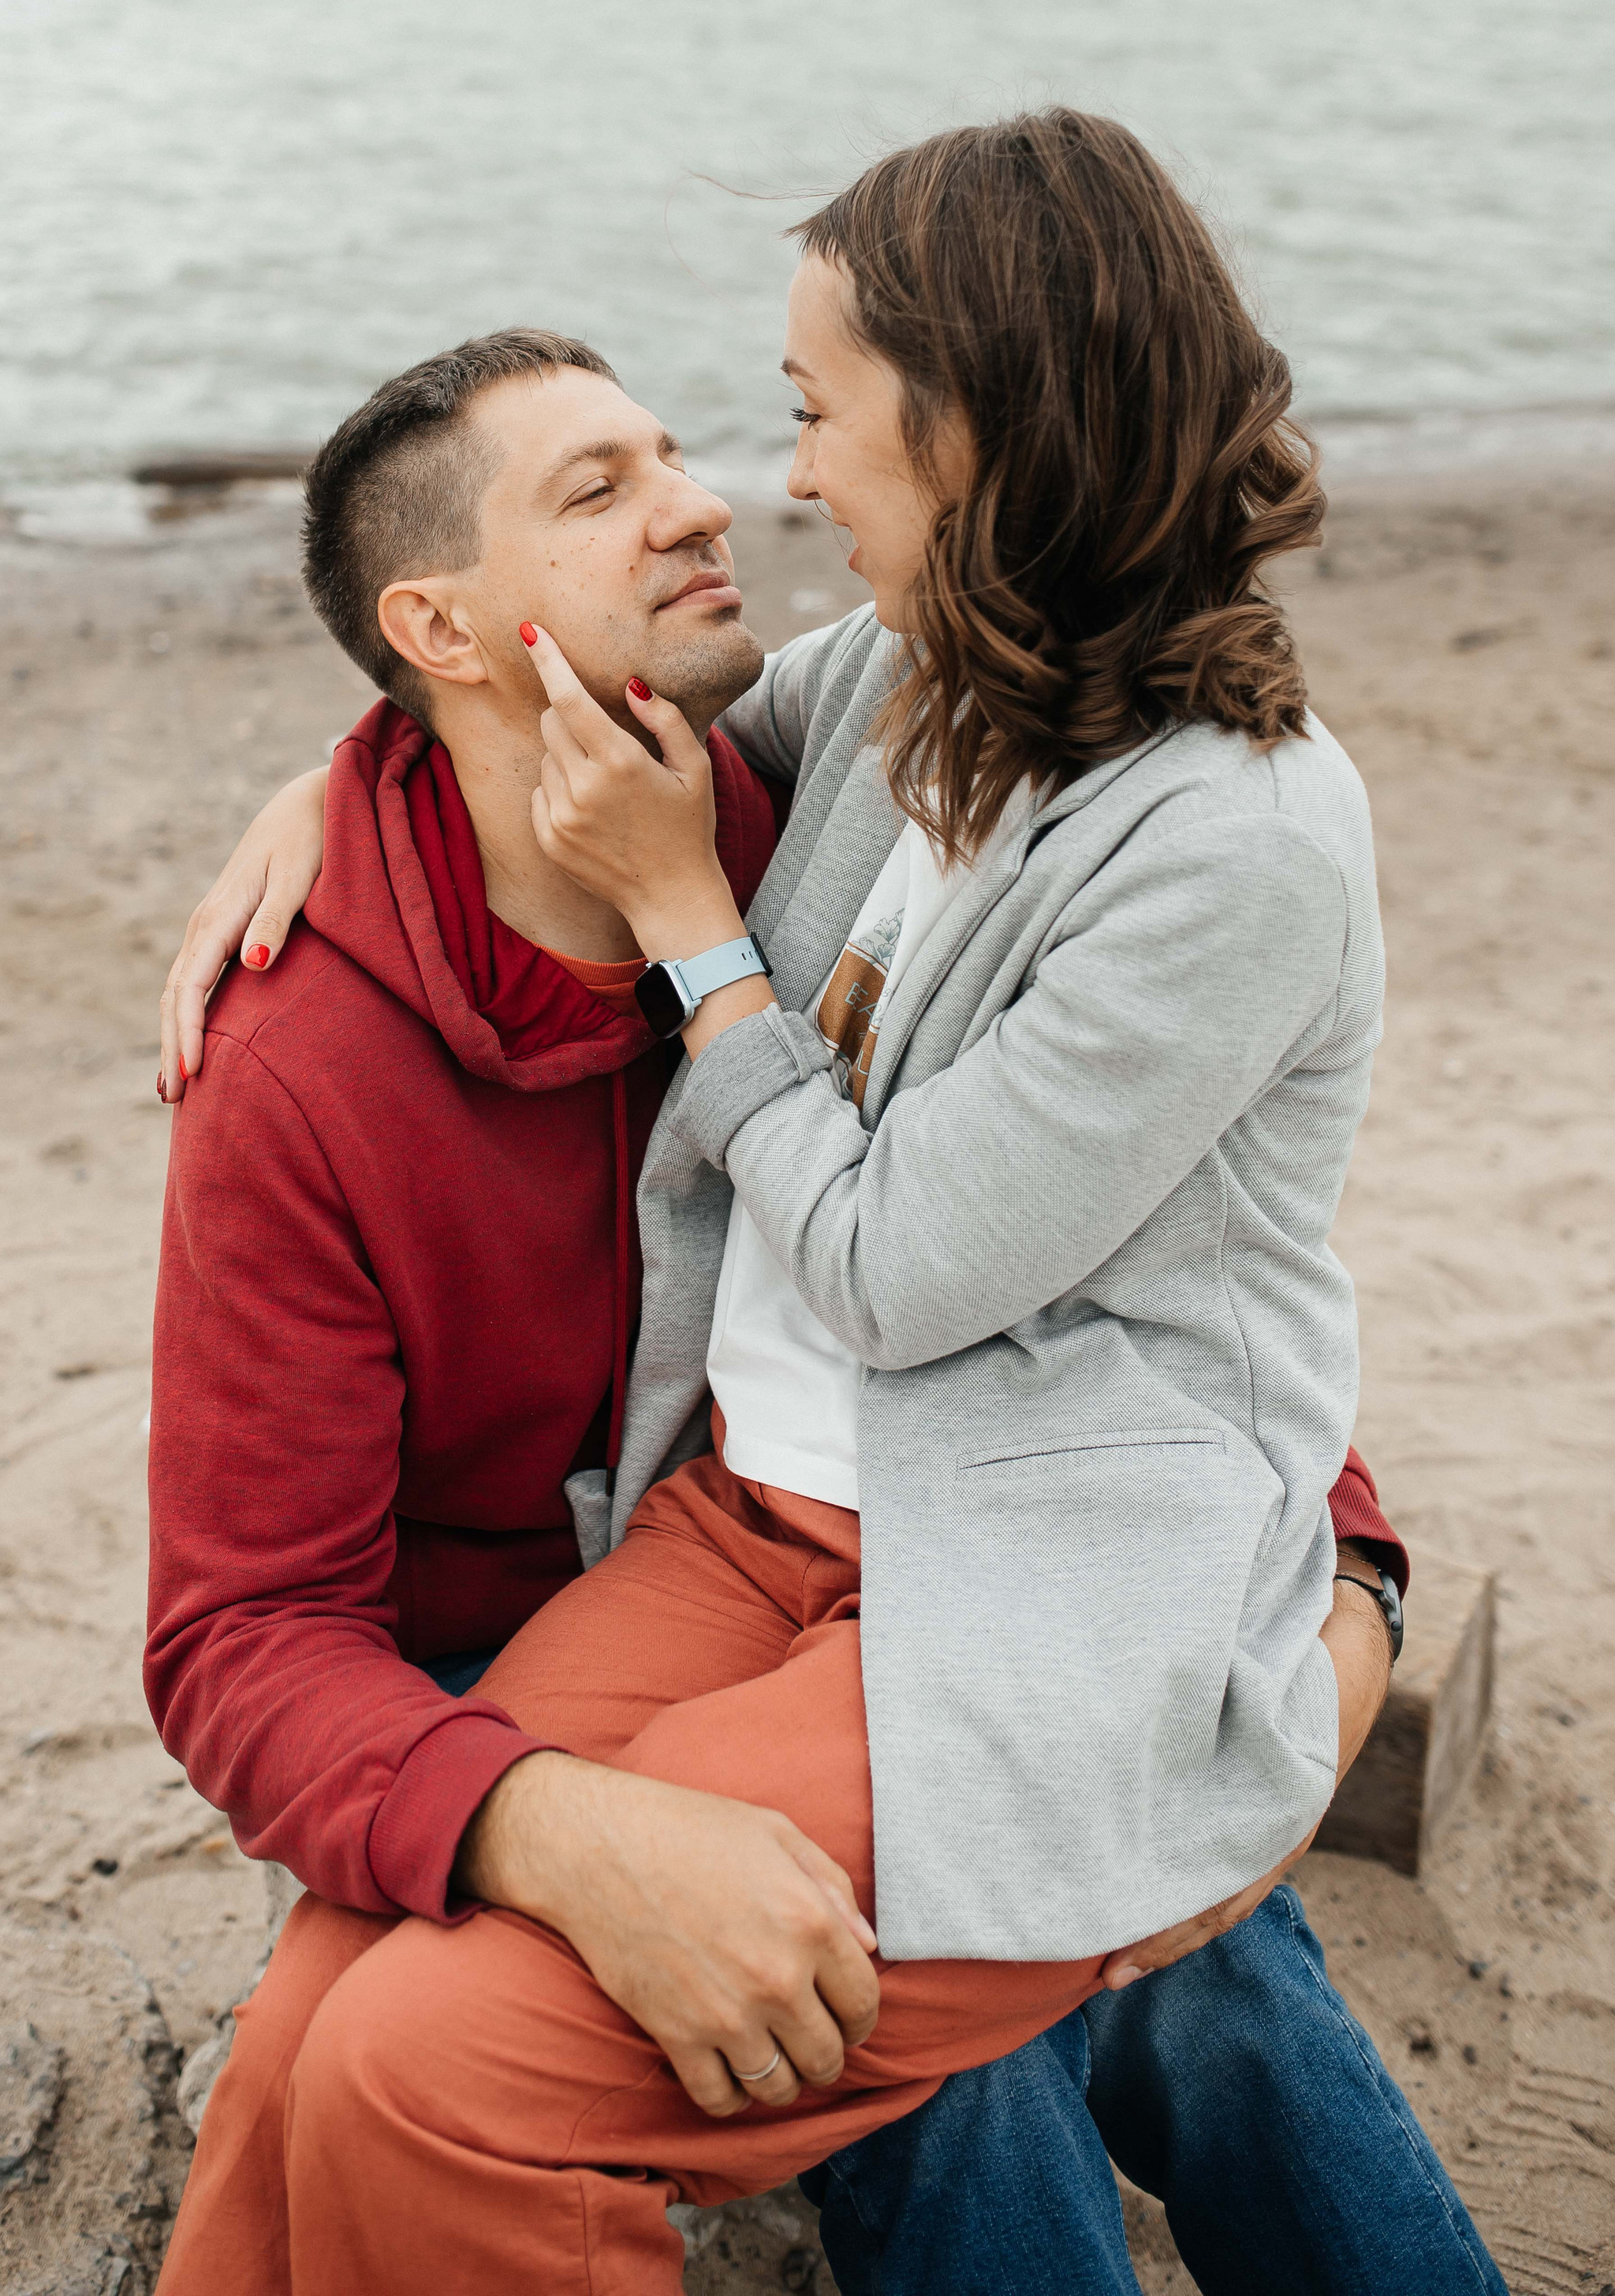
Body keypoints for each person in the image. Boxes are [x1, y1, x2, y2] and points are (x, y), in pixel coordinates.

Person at [151, 121, 1501, 2293]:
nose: (759, 487)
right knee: (316, 2023)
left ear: (968, 432)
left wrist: (698, 928)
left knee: (438, 2070)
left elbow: (960, 1273)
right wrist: (333, 774)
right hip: (753, 1531)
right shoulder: (884, 696)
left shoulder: (1224, 839)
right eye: (622, 479)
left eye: (798, 417)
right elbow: (510, 725)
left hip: (997, 1551)